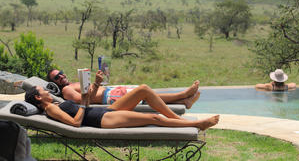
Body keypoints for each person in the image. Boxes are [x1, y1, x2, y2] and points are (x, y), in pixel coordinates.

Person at [26, 71, 219, 130]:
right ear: (38, 97)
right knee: (153, 118)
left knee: (143, 89)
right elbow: (76, 123)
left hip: (103, 109)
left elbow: (85, 102)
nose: (47, 91)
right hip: (101, 120)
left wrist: (95, 84)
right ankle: (196, 124)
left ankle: (182, 115)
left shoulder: (56, 103)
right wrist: (85, 104)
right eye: (43, 90)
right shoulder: (51, 109)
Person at [47, 69, 200, 109]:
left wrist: (102, 79)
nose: (61, 77)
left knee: (148, 95)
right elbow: (84, 101)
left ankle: (183, 102)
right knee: (146, 94)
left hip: (111, 91)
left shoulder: (73, 83)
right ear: (55, 83)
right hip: (109, 97)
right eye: (56, 78)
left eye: (60, 74)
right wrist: (96, 84)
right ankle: (183, 95)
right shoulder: (66, 91)